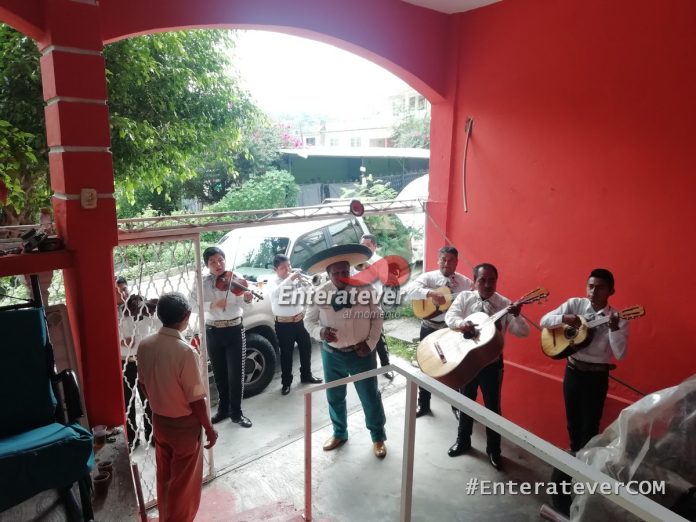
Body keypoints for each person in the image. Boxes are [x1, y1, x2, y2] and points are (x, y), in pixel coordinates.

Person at [137, 292, 218, 522]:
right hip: (184, 427)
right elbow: (196, 400)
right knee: (184, 487)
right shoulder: (185, 352)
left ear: (159, 315)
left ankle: (166, 517)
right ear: (187, 315)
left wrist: (160, 400)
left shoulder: (145, 345)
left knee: (165, 477)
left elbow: (143, 384)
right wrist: (209, 428)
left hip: (160, 422)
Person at [304, 244, 388, 459]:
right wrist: (320, 332)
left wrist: (370, 343)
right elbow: (309, 321)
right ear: (328, 274)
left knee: (370, 396)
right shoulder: (319, 293)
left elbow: (377, 317)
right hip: (332, 355)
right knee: (335, 396)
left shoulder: (365, 289)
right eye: (336, 273)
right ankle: (339, 433)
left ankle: (378, 437)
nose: (342, 277)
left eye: (345, 272)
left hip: (362, 354)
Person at [444, 263, 529, 470]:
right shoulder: (465, 297)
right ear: (475, 281)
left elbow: (523, 332)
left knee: (492, 408)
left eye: (492, 280)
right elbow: (450, 317)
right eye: (482, 280)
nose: (488, 284)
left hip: (492, 364)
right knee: (465, 402)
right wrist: (462, 324)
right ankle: (463, 441)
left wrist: (517, 315)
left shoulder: (504, 304)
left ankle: (494, 450)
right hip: (467, 361)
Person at [539, 268, 629, 455]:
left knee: (590, 425)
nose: (593, 292)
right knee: (572, 421)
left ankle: (585, 461)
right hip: (573, 371)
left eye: (600, 288)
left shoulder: (618, 318)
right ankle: (573, 455)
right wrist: (564, 318)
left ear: (611, 291)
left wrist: (614, 329)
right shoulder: (575, 304)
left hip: (596, 377)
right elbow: (544, 321)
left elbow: (620, 354)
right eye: (590, 286)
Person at [404, 246, 473, 417]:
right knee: (425, 364)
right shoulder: (428, 277)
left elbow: (472, 299)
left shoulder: (465, 283)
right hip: (429, 327)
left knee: (454, 366)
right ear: (438, 260)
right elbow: (410, 290)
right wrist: (430, 293)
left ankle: (456, 406)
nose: (446, 263)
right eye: (443, 259)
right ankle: (423, 404)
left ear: (456, 262)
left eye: (451, 260)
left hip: (450, 330)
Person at [192, 246, 252, 428]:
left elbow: (247, 307)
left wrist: (247, 298)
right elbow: (192, 304)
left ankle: (237, 413)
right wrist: (212, 304)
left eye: (220, 260)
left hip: (234, 330)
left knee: (236, 374)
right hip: (213, 331)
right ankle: (223, 409)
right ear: (207, 265)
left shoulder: (236, 278)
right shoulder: (202, 282)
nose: (218, 264)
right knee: (219, 374)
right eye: (212, 262)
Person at [267, 254, 322, 396]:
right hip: (283, 324)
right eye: (283, 267)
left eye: (289, 266)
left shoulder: (296, 280)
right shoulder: (272, 283)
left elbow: (306, 297)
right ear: (275, 269)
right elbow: (276, 293)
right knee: (286, 354)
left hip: (300, 320)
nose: (288, 269)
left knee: (306, 347)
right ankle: (286, 383)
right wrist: (290, 279)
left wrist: (308, 286)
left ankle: (306, 375)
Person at [115, 276, 157, 450]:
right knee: (128, 402)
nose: (123, 293)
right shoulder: (110, 313)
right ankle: (132, 438)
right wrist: (121, 341)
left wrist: (150, 310)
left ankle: (153, 435)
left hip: (144, 360)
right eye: (117, 291)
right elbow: (105, 338)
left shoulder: (140, 306)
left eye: (124, 289)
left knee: (149, 399)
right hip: (124, 362)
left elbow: (158, 326)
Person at [359, 233, 393, 380]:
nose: (364, 247)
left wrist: (370, 268)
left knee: (378, 336)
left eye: (367, 245)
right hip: (359, 303)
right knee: (362, 336)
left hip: (375, 303)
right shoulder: (357, 259)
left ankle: (386, 366)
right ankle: (367, 370)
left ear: (374, 246)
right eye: (362, 245)